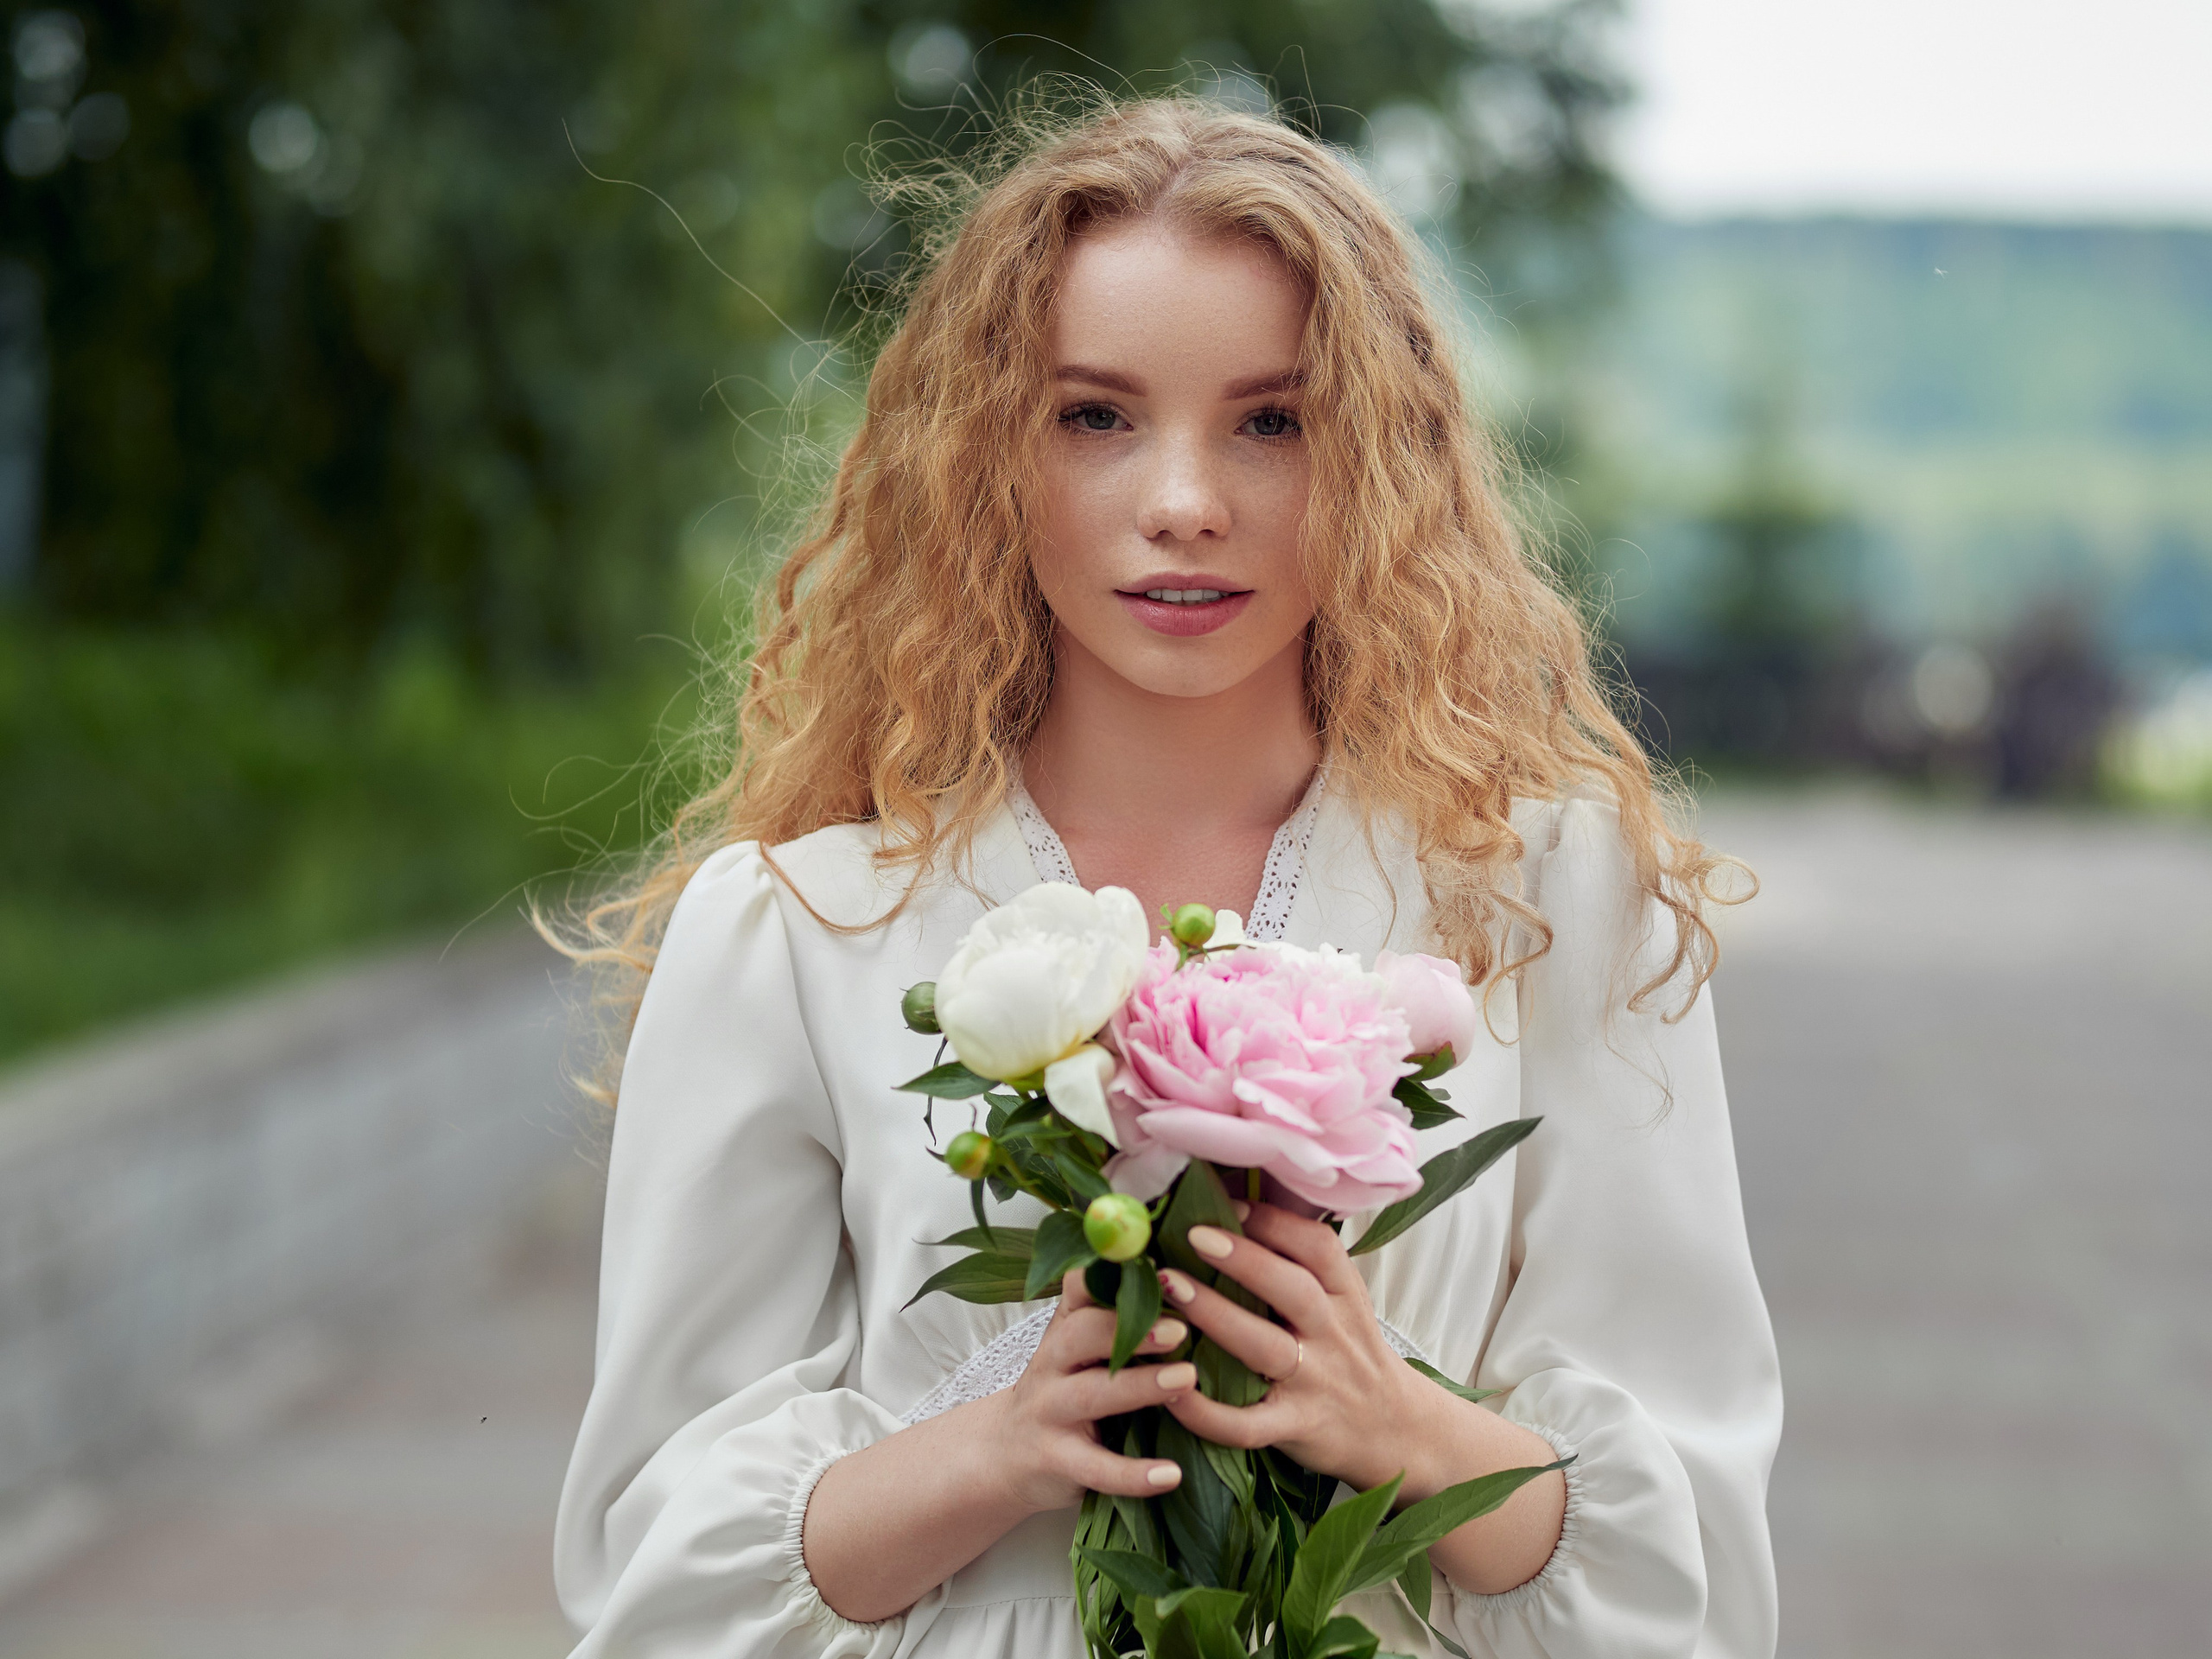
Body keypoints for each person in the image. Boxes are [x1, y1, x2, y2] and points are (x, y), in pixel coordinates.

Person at [551, 97, 1781, 1658]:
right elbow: (649, 1585)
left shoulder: (1544, 898)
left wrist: (1398, 1425)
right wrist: (995, 1446)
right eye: (1096, 416)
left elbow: (1701, 1576)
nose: (1186, 497)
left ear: (1380, 458)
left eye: (1272, 420)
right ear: (988, 453)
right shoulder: (801, 931)